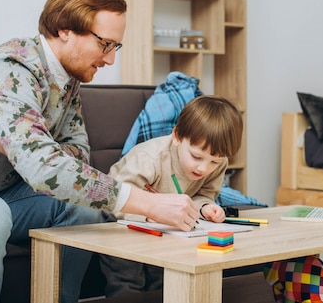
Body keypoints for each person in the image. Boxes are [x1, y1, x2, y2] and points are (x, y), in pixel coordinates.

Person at [0, 0, 198, 303]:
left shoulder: (67, 81)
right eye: (105, 44)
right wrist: (148, 203)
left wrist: (14, 146)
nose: (110, 59)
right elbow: (44, 164)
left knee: (84, 210)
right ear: (65, 29)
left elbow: (76, 161)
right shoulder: (11, 68)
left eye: (115, 47)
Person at [100, 94, 244, 296]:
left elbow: (204, 194)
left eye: (214, 161)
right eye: (196, 156)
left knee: (163, 279)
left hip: (163, 227)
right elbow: (117, 199)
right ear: (177, 137)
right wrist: (149, 214)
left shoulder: (219, 163)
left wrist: (205, 208)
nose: (204, 168)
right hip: (119, 218)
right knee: (127, 281)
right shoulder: (150, 158)